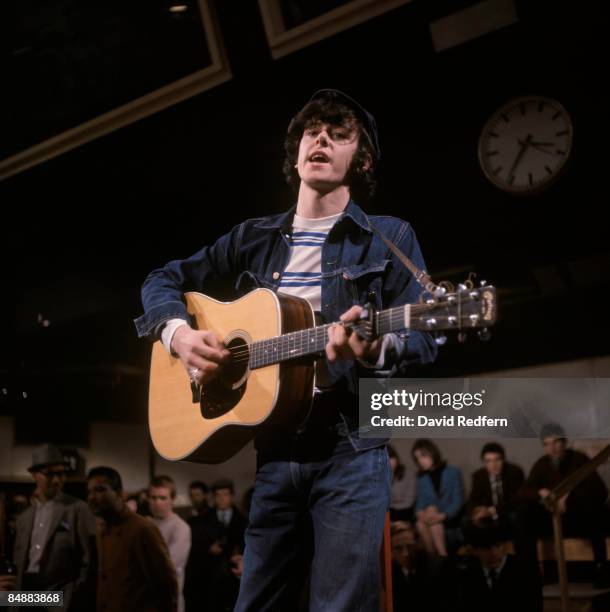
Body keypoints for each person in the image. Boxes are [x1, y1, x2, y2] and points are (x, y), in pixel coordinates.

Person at [135, 88, 437, 609]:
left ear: (360, 158)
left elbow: (423, 339)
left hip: (351, 449)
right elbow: (162, 279)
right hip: (274, 451)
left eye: (338, 133)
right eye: (311, 130)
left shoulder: (389, 237)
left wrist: (369, 348)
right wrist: (179, 336)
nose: (321, 137)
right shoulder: (253, 237)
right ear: (296, 151)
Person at [521, 423, 609, 587]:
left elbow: (600, 491)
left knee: (599, 512)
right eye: (547, 444)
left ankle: (601, 569)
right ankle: (534, 573)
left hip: (579, 517)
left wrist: (570, 496)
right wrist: (541, 492)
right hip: (554, 518)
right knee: (526, 515)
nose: (552, 448)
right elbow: (525, 491)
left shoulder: (579, 459)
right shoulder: (542, 464)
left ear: (564, 442)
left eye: (556, 442)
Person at [10, 444, 96, 612]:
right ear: (35, 475)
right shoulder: (24, 517)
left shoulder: (78, 509)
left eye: (62, 474)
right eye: (50, 474)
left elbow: (89, 561)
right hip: (25, 591)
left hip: (58, 593)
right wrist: (9, 600)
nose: (57, 480)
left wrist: (72, 596)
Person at [87, 466, 178, 612]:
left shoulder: (142, 529)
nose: (92, 497)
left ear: (118, 493)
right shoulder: (102, 531)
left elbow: (166, 584)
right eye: (90, 491)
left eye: (100, 490)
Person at [412, 439, 464, 558]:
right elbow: (420, 501)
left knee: (433, 517)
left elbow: (458, 500)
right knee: (420, 522)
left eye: (423, 456)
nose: (420, 461)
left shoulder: (453, 471)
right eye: (417, 458)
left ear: (433, 453)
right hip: (431, 516)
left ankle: (439, 557)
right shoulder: (422, 478)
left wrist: (443, 515)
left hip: (449, 516)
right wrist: (419, 512)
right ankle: (435, 556)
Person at [149, 476, 191, 612]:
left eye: (162, 498)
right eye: (153, 497)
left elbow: (167, 567)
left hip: (167, 600)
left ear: (172, 499)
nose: (157, 502)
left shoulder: (180, 527)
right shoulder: (145, 524)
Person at [467, 442, 524, 530]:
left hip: (507, 512)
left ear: (503, 460)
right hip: (487, 514)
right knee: (468, 523)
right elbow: (473, 499)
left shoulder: (514, 472)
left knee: (518, 516)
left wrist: (492, 511)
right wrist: (477, 510)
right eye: (488, 461)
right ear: (484, 463)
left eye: (497, 459)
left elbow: (517, 500)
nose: (493, 465)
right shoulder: (478, 476)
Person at [388, 444, 416, 523]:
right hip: (386, 515)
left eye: (391, 457)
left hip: (405, 513)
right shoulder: (376, 478)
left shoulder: (409, 474)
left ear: (396, 458)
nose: (389, 462)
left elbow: (409, 502)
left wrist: (390, 506)